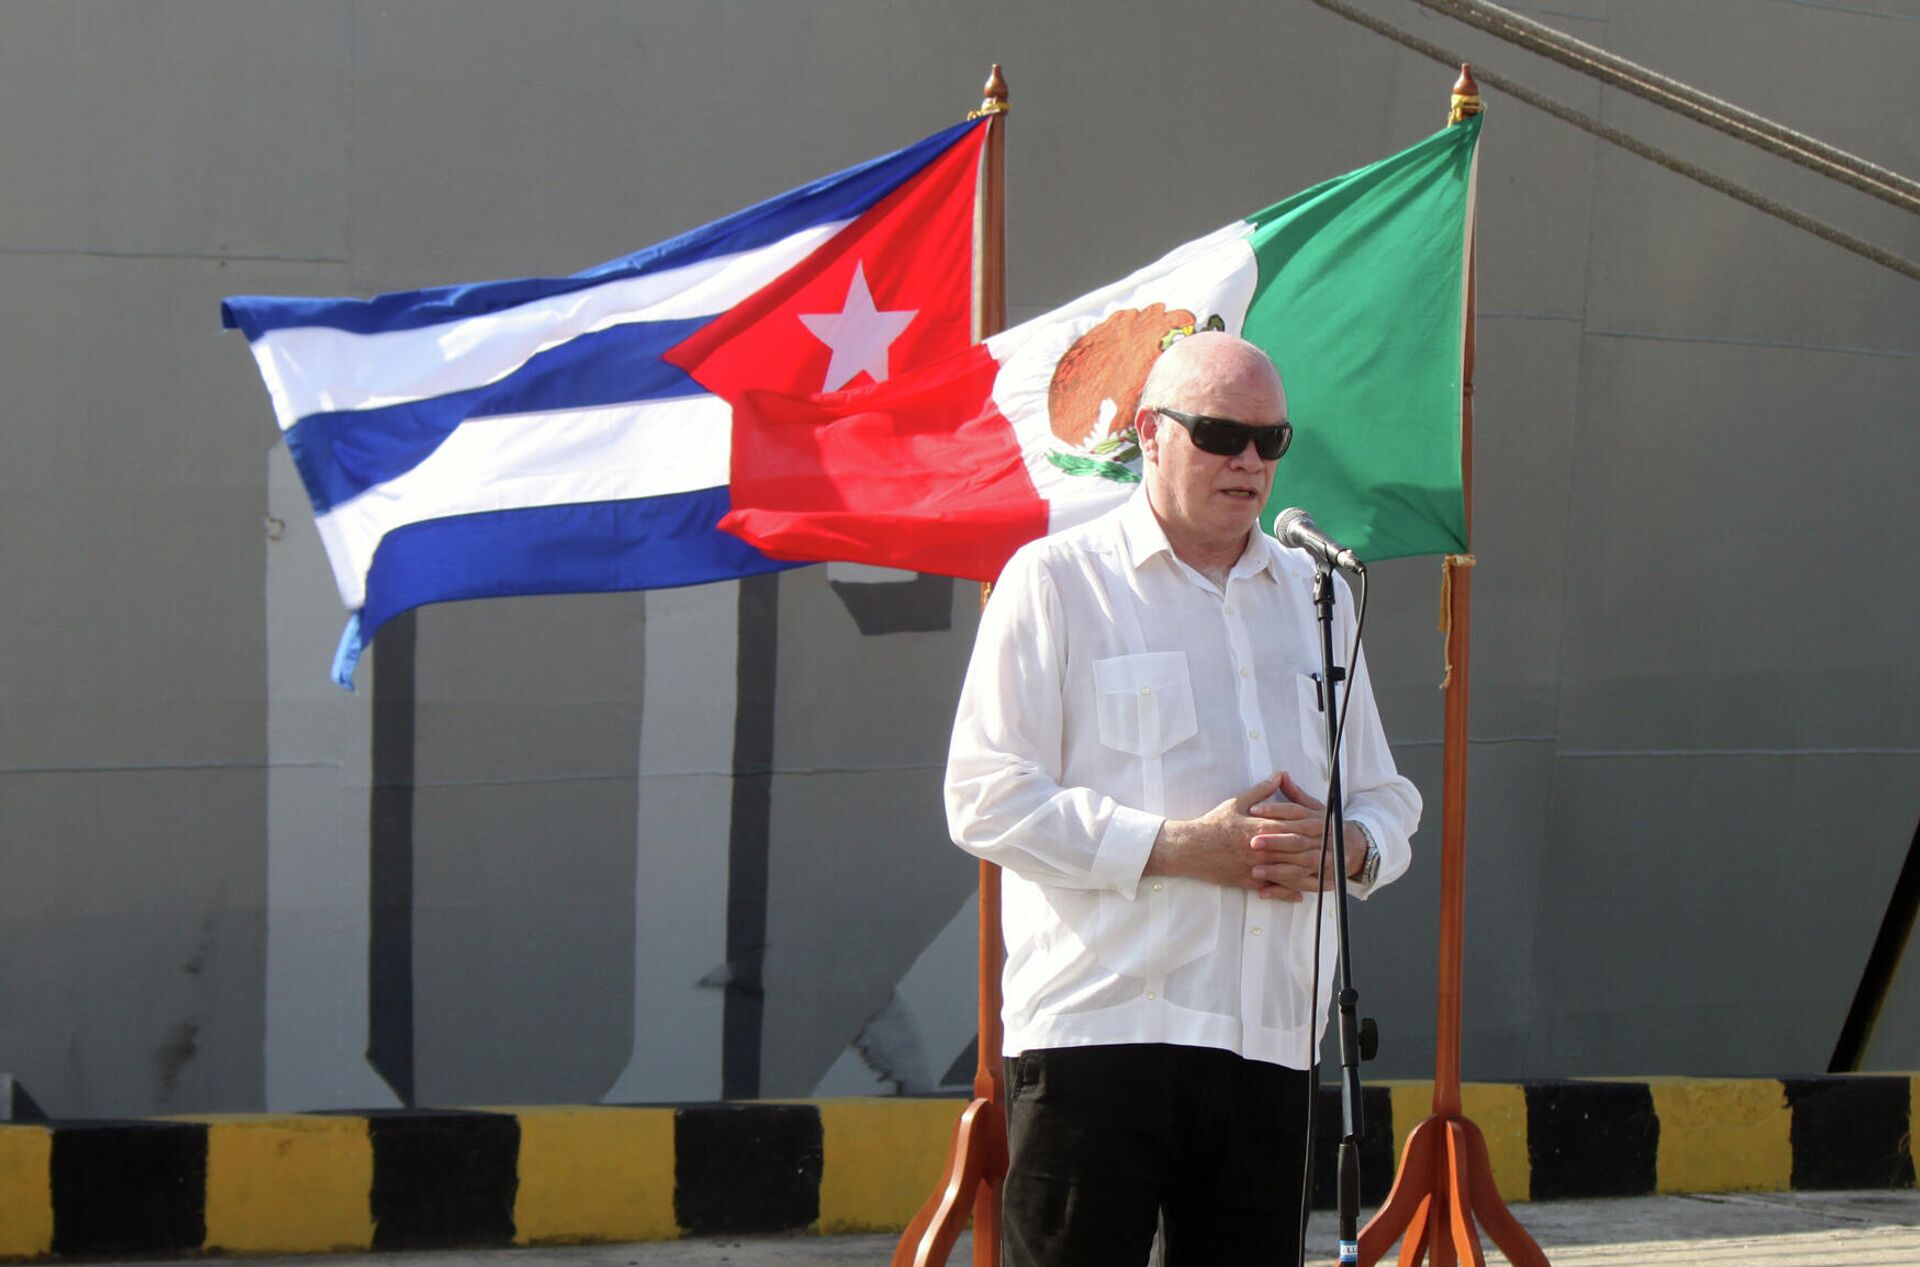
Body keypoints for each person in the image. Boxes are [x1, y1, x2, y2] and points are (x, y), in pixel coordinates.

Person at [945, 331, 1422, 1265]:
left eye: (1269, 441)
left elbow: (1386, 798)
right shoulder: (1056, 583)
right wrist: (1173, 845)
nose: (1248, 461)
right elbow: (983, 796)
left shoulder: (1319, 595)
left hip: (1271, 1040)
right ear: (1149, 434)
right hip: (1101, 1037)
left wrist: (1349, 848)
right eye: (1219, 434)